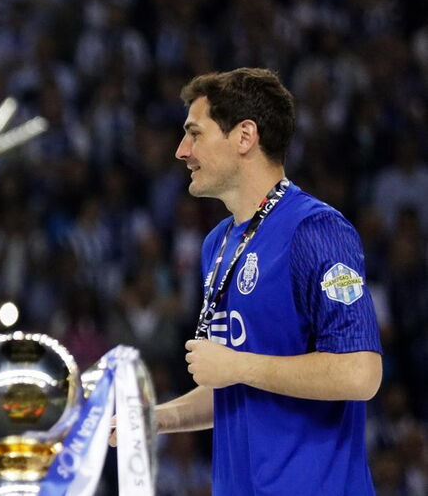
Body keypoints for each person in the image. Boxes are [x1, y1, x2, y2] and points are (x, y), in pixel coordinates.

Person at [113, 68, 382, 494]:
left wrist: (237, 365)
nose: (181, 151)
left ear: (244, 136)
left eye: (195, 134)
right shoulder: (217, 244)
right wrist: (156, 418)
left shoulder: (316, 230)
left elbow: (361, 372)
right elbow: (231, 387)